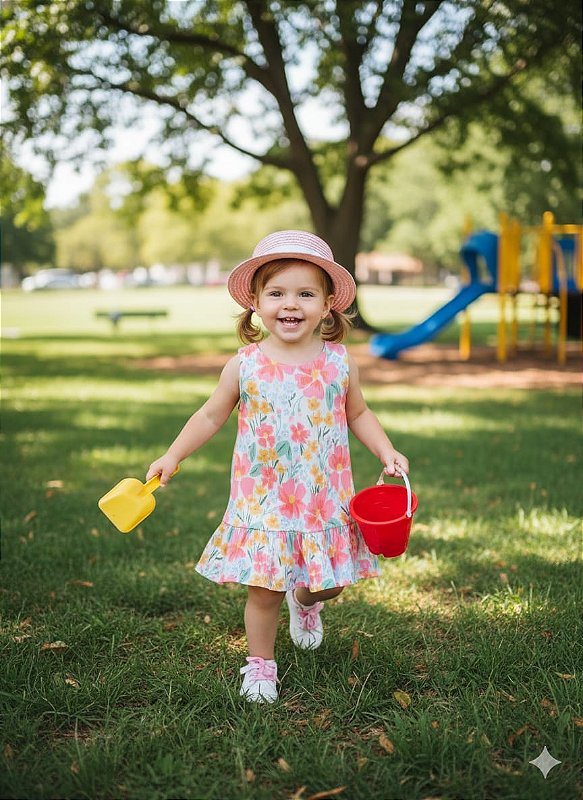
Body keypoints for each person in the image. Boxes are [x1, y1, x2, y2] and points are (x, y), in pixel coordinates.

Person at [146, 230, 409, 703]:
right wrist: (173, 454)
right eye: (277, 293)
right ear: (256, 303)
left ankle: (305, 603)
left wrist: (386, 451)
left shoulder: (338, 363)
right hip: (263, 501)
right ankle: (261, 665)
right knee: (263, 591)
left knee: (329, 586)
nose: (291, 305)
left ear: (328, 304)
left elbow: (358, 414)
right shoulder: (245, 364)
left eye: (306, 294)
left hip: (323, 500)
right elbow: (210, 414)